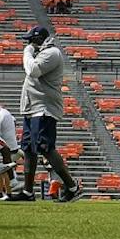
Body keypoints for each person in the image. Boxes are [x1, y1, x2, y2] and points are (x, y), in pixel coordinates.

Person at [8, 26, 81, 203]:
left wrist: (27, 52)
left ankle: (72, 187)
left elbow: (33, 70)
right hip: (32, 108)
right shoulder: (42, 53)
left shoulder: (52, 53)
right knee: (28, 149)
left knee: (44, 147)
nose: (29, 44)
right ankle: (27, 192)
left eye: (31, 40)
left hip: (44, 108)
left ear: (40, 39)